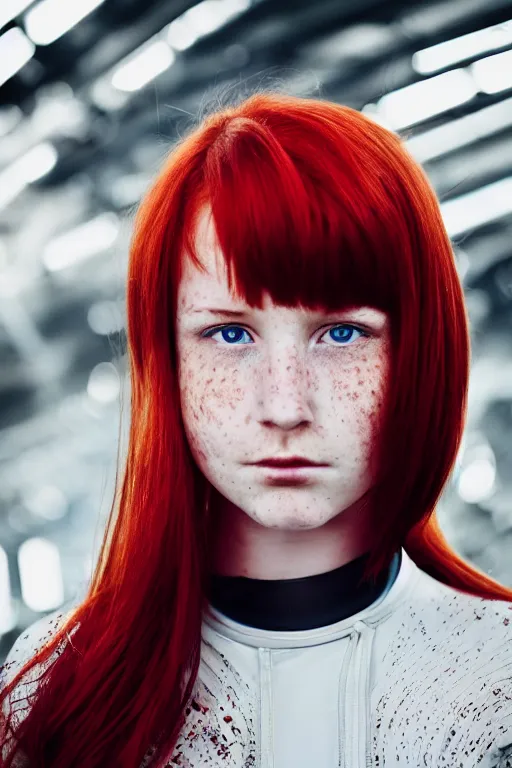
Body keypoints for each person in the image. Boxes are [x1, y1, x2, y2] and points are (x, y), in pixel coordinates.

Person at [1, 90, 512, 768]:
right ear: (166, 360)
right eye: (230, 332)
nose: (285, 405)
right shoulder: (50, 690)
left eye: (341, 332)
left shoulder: (497, 682)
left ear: (423, 354)